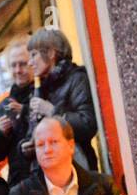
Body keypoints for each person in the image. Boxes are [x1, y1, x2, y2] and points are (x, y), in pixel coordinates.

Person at [24, 28, 99, 171]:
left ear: (51, 53)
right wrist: (28, 145)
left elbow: (88, 124)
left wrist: (52, 111)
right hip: (49, 172)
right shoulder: (39, 88)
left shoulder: (77, 78)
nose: (30, 62)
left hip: (78, 170)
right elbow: (32, 131)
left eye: (34, 55)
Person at [0, 37, 35, 188]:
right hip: (19, 184)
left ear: (33, 62)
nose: (18, 70)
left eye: (23, 64)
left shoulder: (45, 94)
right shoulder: (4, 106)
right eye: (13, 65)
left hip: (49, 180)